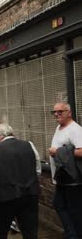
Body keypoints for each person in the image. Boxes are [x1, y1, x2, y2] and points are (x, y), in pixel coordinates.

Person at [0, 124, 41, 239]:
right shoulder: (29, 145)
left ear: (0, 137)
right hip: (29, 194)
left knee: (2, 230)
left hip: (5, 197)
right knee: (30, 230)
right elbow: (37, 169)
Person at [48, 102, 82, 238]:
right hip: (62, 176)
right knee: (58, 204)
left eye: (60, 111)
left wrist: (58, 151)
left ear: (69, 113)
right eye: (54, 112)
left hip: (73, 178)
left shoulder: (75, 129)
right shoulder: (59, 127)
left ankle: (75, 235)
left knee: (75, 210)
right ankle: (71, 233)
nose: (56, 114)